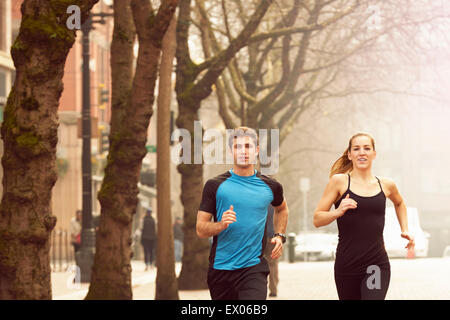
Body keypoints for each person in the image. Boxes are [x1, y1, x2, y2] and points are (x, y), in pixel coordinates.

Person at [313, 133, 415, 300]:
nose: (362, 152)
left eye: (367, 148)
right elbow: (317, 219)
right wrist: (338, 212)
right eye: (356, 148)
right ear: (350, 154)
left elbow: (399, 203)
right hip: (347, 264)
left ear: (374, 154)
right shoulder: (339, 182)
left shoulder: (386, 184)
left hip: (376, 264)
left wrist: (405, 229)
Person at [196, 126, 289, 300]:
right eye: (238, 147)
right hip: (220, 268)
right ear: (231, 151)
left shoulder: (271, 186)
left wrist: (279, 234)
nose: (243, 151)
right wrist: (220, 225)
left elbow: (282, 208)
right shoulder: (214, 186)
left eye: (248, 147)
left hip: (253, 268)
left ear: (256, 151)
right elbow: (200, 229)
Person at [264, 204, 279, 297]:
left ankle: (259, 288)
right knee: (272, 263)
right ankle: (273, 289)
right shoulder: (276, 203)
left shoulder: (259, 200)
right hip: (272, 236)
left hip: (259, 236)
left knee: (257, 262)